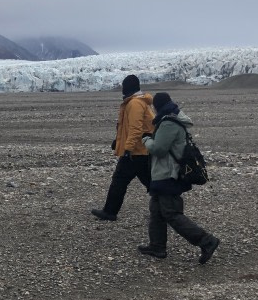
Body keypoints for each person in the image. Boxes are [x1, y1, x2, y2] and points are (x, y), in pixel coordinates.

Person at [139, 92, 220, 264]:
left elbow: (159, 149)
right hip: (163, 173)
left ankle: (206, 241)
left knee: (171, 213)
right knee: (157, 210)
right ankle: (157, 246)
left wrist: (146, 140)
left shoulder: (168, 123)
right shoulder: (171, 119)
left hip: (168, 174)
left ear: (157, 106)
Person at [91, 74, 154, 221]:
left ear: (128, 87)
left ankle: (110, 212)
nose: (122, 89)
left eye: (124, 86)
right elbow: (129, 128)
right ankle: (167, 210)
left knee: (120, 180)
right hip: (141, 150)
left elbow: (136, 129)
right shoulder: (138, 102)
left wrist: (127, 149)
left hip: (136, 151)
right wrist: (118, 142)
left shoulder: (135, 104)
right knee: (150, 182)